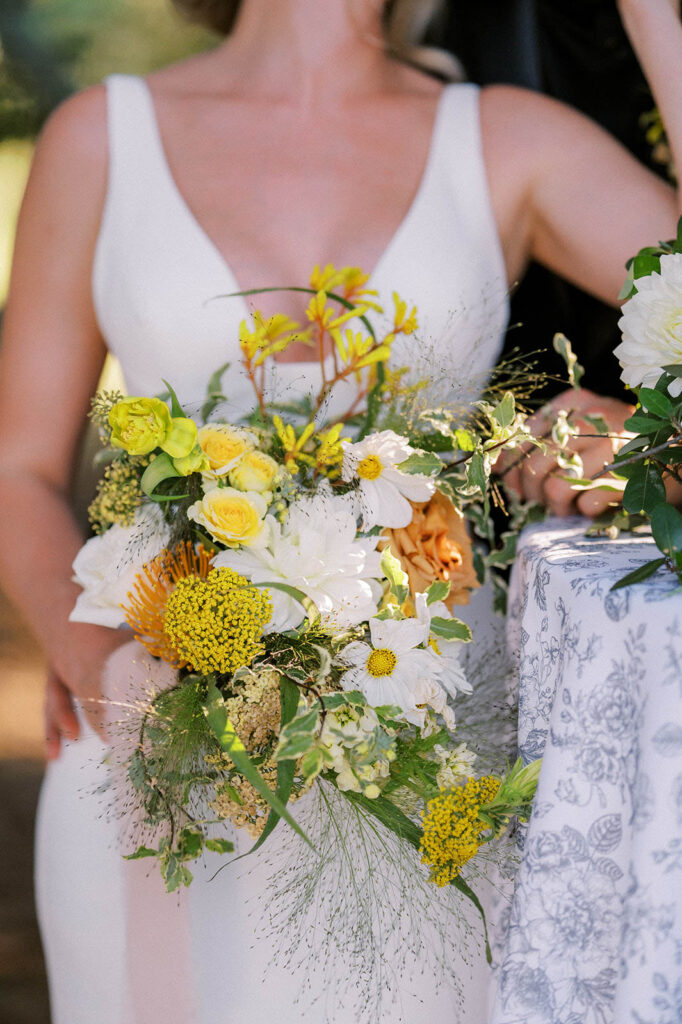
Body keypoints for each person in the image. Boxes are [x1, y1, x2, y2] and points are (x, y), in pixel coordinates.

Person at [0, 0, 680, 1021]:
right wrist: (115, 684)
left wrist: (657, 18)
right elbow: (16, 465)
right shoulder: (100, 133)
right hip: (151, 738)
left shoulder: (503, 139)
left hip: (424, 746)